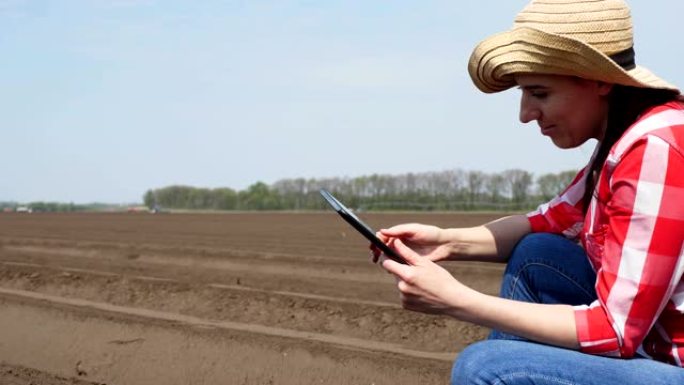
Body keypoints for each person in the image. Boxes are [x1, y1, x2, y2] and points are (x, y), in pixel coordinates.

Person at [371, 1, 684, 384]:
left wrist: (458, 300)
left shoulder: (656, 148)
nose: (525, 113)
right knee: (539, 255)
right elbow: (546, 223)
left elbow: (614, 331)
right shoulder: (624, 141)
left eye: (539, 93)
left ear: (600, 81)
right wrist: (445, 241)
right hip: (652, 345)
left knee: (485, 367)